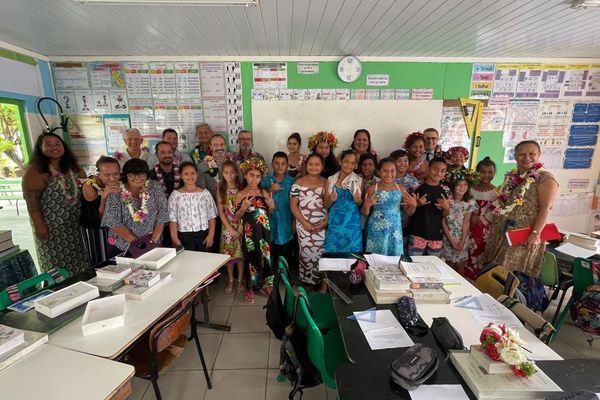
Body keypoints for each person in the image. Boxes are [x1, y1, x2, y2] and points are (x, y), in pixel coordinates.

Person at [483, 141, 558, 311]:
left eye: (532, 154)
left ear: (538, 155)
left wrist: (535, 234)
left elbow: (547, 208)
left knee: (514, 275)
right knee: (496, 271)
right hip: (502, 233)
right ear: (515, 156)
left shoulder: (545, 178)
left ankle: (515, 311)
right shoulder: (512, 177)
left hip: (524, 236)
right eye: (521, 154)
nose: (527, 157)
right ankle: (494, 306)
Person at [22, 132, 89, 274]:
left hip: (73, 226)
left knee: (79, 263)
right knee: (55, 268)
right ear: (40, 148)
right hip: (51, 228)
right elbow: (32, 203)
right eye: (49, 144)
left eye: (57, 143)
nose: (54, 147)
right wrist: (39, 226)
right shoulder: (35, 171)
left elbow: (86, 187)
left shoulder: (74, 168)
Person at [101, 158, 169, 254]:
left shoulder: (154, 186)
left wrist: (153, 240)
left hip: (153, 244)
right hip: (123, 246)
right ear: (125, 176)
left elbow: (163, 212)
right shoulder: (116, 191)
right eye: (132, 174)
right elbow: (112, 222)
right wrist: (140, 244)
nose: (137, 178)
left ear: (146, 174)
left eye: (141, 173)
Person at [235, 157, 275, 303]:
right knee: (251, 258)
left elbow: (269, 213)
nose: (254, 179)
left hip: (264, 231)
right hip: (250, 233)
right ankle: (250, 288)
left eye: (258, 176)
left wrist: (271, 205)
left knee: (266, 258)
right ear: (245, 175)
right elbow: (237, 215)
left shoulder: (264, 192)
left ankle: (266, 285)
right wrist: (244, 207)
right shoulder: (240, 194)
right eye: (251, 175)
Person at [362, 158, 416, 256]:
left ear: (396, 171)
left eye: (392, 171)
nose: (389, 174)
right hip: (376, 228)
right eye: (385, 171)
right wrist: (366, 206)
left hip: (394, 229)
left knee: (394, 258)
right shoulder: (373, 188)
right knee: (375, 258)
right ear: (379, 171)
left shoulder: (401, 189)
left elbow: (408, 212)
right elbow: (364, 213)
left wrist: (413, 205)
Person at [290, 154, 328, 288]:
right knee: (306, 254)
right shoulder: (298, 183)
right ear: (306, 165)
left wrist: (325, 222)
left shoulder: (327, 182)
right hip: (304, 225)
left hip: (323, 225)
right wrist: (305, 223)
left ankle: (323, 283)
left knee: (322, 253)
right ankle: (308, 282)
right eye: (310, 164)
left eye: (317, 164)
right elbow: (293, 206)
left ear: (322, 166)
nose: (314, 167)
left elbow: (332, 206)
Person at [80, 156, 121, 266]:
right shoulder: (89, 187)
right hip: (95, 228)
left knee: (116, 260)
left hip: (113, 227)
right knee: (101, 262)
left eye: (116, 174)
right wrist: (104, 196)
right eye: (107, 175)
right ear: (99, 174)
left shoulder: (119, 183)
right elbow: (100, 216)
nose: (112, 178)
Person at [168, 162, 218, 252]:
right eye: (186, 174)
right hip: (184, 235)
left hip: (203, 234)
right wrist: (174, 238)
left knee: (204, 260)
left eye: (192, 173)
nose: (190, 176)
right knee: (188, 262)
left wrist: (211, 235)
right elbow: (173, 219)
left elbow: (212, 217)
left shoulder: (205, 194)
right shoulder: (175, 195)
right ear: (180, 175)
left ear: (197, 174)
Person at [408, 157, 452, 256]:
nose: (438, 173)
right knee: (414, 266)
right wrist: (417, 204)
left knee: (433, 267)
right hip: (417, 233)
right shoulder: (416, 187)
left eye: (443, 171)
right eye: (435, 169)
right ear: (428, 168)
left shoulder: (446, 190)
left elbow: (445, 215)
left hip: (436, 235)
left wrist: (446, 208)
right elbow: (408, 212)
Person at [441, 168, 479, 276]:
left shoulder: (470, 203)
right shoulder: (446, 201)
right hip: (448, 237)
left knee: (460, 265)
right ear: (453, 186)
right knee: (448, 264)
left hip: (462, 237)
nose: (463, 188)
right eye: (459, 185)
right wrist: (451, 240)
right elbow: (443, 221)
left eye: (465, 185)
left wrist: (462, 241)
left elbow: (466, 222)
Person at [323, 150, 363, 253]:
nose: (349, 165)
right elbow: (326, 205)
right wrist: (331, 200)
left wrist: (358, 201)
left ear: (355, 165)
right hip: (335, 223)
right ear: (340, 162)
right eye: (346, 161)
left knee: (352, 256)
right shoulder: (331, 180)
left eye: (352, 163)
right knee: (332, 253)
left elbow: (361, 204)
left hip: (353, 224)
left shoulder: (359, 180)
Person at [261, 152, 295, 270]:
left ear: (287, 165)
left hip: (286, 221)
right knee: (270, 251)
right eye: (276, 163)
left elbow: (296, 203)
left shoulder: (292, 181)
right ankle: (271, 277)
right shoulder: (266, 180)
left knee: (285, 252)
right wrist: (269, 189)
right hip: (269, 221)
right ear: (272, 164)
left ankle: (284, 275)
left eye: (283, 164)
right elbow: (260, 199)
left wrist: (294, 221)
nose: (280, 166)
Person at [466, 157, 497, 280]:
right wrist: (472, 216)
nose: (486, 175)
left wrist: (482, 218)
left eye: (490, 172)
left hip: (486, 230)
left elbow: (497, 211)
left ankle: (480, 281)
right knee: (467, 252)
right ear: (477, 172)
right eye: (483, 172)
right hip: (468, 227)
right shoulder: (470, 189)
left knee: (482, 255)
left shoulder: (497, 191)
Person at [217, 160, 244, 294]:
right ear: (222, 173)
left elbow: (245, 210)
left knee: (240, 254)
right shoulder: (220, 188)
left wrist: (239, 228)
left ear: (236, 173)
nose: (230, 175)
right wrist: (230, 229)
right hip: (227, 228)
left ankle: (240, 280)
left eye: (232, 172)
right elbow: (221, 211)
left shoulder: (241, 188)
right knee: (229, 256)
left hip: (240, 226)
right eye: (226, 172)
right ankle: (231, 280)